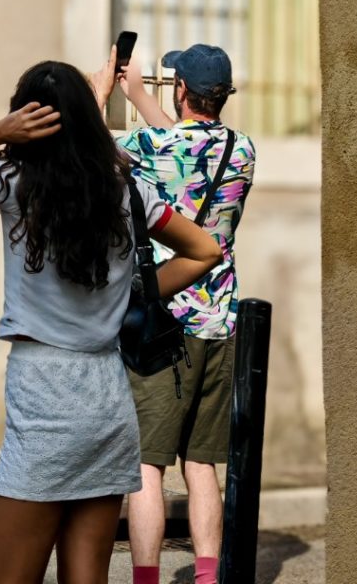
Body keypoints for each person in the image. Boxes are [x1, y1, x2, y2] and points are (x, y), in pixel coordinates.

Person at [0, 57, 222, 584]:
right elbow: (204, 249)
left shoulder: (13, 182)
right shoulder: (127, 191)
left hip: (43, 396)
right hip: (107, 397)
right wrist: (131, 297)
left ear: (26, 118)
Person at [98, 44, 256, 584]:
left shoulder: (145, 146)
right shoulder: (243, 150)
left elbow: (99, 155)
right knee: (201, 464)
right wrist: (141, 95)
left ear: (183, 90)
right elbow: (185, 154)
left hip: (161, 324)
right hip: (221, 320)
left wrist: (107, 93)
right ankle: (208, 576)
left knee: (147, 465)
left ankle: (146, 578)